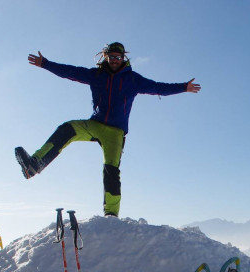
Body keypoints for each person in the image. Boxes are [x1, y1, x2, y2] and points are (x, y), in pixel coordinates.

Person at [15, 42, 201, 217]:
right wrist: (46, 64)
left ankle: (111, 214)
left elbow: (158, 87)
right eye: (111, 57)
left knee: (111, 170)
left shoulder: (133, 80)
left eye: (118, 57)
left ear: (123, 59)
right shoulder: (96, 75)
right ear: (106, 57)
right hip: (94, 125)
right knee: (67, 129)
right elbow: (70, 72)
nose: (114, 60)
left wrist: (184, 87)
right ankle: (35, 164)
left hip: (115, 132)